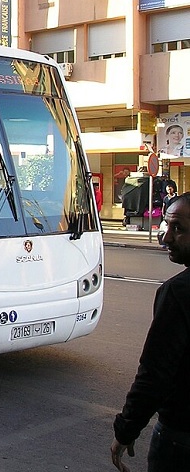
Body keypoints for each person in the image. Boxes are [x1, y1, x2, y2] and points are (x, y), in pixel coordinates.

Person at [111, 192, 190, 471]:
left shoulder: (178, 293)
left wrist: (126, 430)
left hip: (180, 439)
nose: (166, 237)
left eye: (178, 229)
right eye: (168, 226)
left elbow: (155, 374)